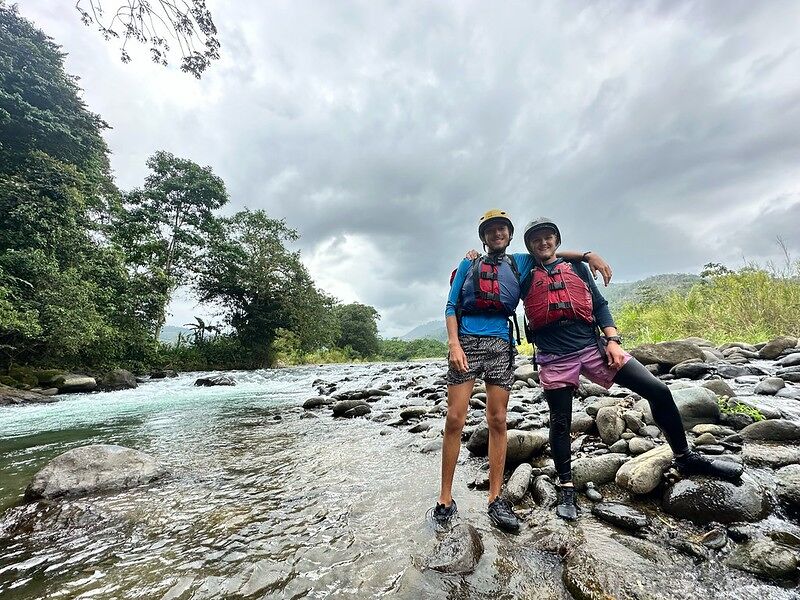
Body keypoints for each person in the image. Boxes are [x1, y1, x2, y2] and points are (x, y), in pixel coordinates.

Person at [520, 217, 743, 520]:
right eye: (536, 239)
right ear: (529, 246)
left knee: (659, 390)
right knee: (561, 421)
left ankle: (685, 457)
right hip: (554, 356)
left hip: (593, 346)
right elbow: (498, 261)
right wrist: (587, 252)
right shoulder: (522, 271)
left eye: (549, 237)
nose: (543, 243)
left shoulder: (577, 268)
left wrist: (612, 340)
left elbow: (599, 305)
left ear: (557, 241)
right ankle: (567, 486)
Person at [431, 209, 611, 532]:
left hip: (501, 344)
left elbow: (552, 253)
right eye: (491, 230)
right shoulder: (467, 264)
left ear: (510, 235)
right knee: (455, 419)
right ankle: (445, 498)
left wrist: (588, 255)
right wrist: (454, 344)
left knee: (498, 420)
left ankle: (496, 499)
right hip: (467, 343)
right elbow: (450, 305)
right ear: (484, 237)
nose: (497, 234)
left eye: (502, 229)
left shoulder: (520, 261)